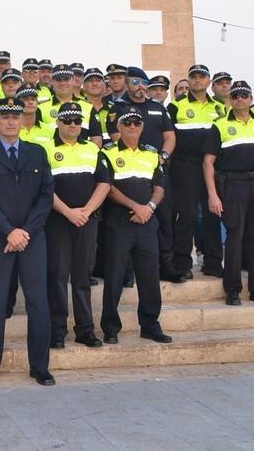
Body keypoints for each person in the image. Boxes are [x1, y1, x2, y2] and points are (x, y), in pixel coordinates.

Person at [0, 97, 55, 388]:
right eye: (5, 117)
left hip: (32, 238)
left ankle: (40, 366)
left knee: (38, 302)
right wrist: (9, 231)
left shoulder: (37, 152)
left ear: (23, 120)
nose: (10, 121)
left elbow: (46, 197)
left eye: (15, 116)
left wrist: (24, 232)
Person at [204, 81, 254, 306]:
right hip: (233, 185)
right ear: (230, 100)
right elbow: (208, 162)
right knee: (235, 237)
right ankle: (232, 290)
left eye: (244, 95)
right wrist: (212, 194)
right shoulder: (220, 125)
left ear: (251, 99)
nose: (240, 99)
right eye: (235, 96)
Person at [99, 106, 173, 344]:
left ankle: (150, 325)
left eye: (137, 123)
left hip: (147, 222)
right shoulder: (107, 153)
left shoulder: (152, 154)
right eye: (127, 123)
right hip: (119, 223)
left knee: (149, 277)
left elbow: (159, 187)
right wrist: (135, 207)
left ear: (142, 127)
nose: (132, 127)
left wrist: (148, 207)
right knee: (115, 277)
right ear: (119, 127)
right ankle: (110, 327)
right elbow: (108, 187)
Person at [44, 103, 110, 349]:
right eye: (68, 120)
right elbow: (44, 188)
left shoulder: (92, 149)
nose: (73, 125)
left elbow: (104, 183)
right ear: (58, 122)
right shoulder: (46, 149)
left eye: (77, 121)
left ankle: (85, 329)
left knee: (82, 275)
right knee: (57, 276)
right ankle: (57, 330)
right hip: (58, 221)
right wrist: (68, 212)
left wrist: (87, 211)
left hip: (86, 220)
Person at [107, 67, 177, 284]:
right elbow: (117, 136)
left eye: (143, 82)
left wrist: (162, 156)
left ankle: (166, 264)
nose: (140, 86)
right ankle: (128, 271)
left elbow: (170, 136)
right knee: (129, 219)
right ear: (127, 84)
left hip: (155, 168)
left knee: (164, 217)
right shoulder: (118, 108)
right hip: (128, 171)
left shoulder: (157, 107)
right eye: (135, 82)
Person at [168, 64, 226, 279]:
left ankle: (213, 262)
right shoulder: (176, 106)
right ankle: (183, 263)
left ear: (209, 81)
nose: (198, 80)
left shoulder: (220, 108)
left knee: (213, 214)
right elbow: (169, 137)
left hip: (212, 167)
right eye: (194, 77)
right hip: (186, 167)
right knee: (187, 214)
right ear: (189, 80)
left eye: (202, 77)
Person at [38, 64, 103, 146]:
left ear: (73, 80)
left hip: (81, 154)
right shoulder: (40, 108)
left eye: (66, 79)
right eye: (58, 80)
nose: (62, 83)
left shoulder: (89, 107)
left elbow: (96, 139)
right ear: (52, 82)